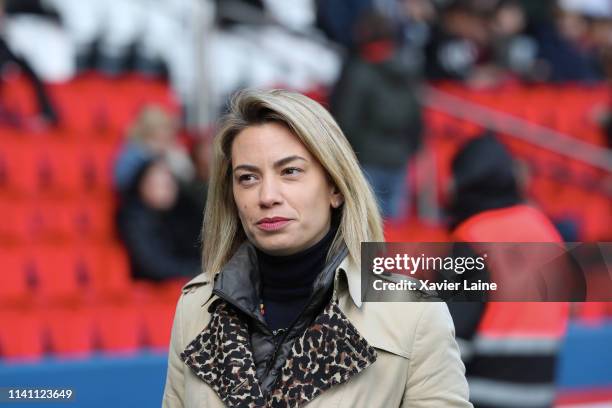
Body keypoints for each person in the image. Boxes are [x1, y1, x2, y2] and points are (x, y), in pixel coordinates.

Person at [162, 89, 471, 407]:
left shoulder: (412, 314)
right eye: (248, 178)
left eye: (290, 172)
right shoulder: (196, 307)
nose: (267, 196)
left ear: (334, 187)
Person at [446, 133, 571, 408]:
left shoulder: (474, 236)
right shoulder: (547, 231)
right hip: (539, 394)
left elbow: (450, 337)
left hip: (481, 395)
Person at [333, 11, 423, 220]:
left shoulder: (359, 70)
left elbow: (347, 119)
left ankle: (369, 256)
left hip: (367, 158)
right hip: (399, 156)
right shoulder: (407, 68)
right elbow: (416, 117)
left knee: (366, 227)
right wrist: (411, 148)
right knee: (394, 232)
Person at [117, 158, 201, 281]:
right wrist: (196, 270)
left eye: (169, 184)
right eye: (159, 185)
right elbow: (153, 266)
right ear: (142, 186)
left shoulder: (180, 212)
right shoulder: (134, 219)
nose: (167, 189)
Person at [113, 105, 194, 195]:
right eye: (156, 138)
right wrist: (148, 156)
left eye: (165, 136)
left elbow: (188, 176)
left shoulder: (172, 151)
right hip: (138, 201)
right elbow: (122, 181)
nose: (162, 141)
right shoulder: (133, 152)